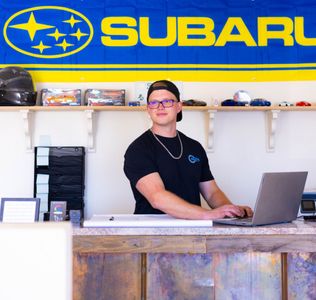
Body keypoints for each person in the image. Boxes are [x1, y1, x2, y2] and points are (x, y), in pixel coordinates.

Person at [123, 80, 253, 220]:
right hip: (152, 234)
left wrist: (232, 211)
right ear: (148, 109)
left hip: (193, 231)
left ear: (179, 106)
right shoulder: (138, 149)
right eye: (154, 103)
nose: (160, 107)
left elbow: (212, 193)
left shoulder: (194, 147)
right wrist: (207, 214)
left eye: (167, 101)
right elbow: (157, 197)